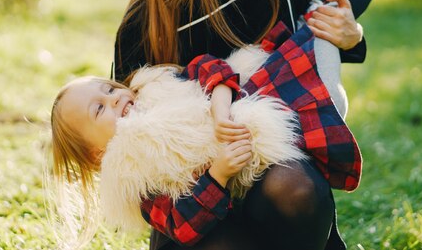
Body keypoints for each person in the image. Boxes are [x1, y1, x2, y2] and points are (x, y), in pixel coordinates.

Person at [107, 0, 409, 249]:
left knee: (295, 187)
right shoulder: (145, 18)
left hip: (269, 159)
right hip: (195, 191)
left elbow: (303, 49)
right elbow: (125, 127)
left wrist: (351, 36)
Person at [51, 18, 362, 249]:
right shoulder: (132, 171)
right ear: (97, 154)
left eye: (109, 88)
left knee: (295, 187)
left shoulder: (157, 88)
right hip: (210, 227)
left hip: (255, 176)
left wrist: (220, 101)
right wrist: (217, 176)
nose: (115, 97)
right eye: (99, 109)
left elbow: (206, 67)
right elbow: (182, 224)